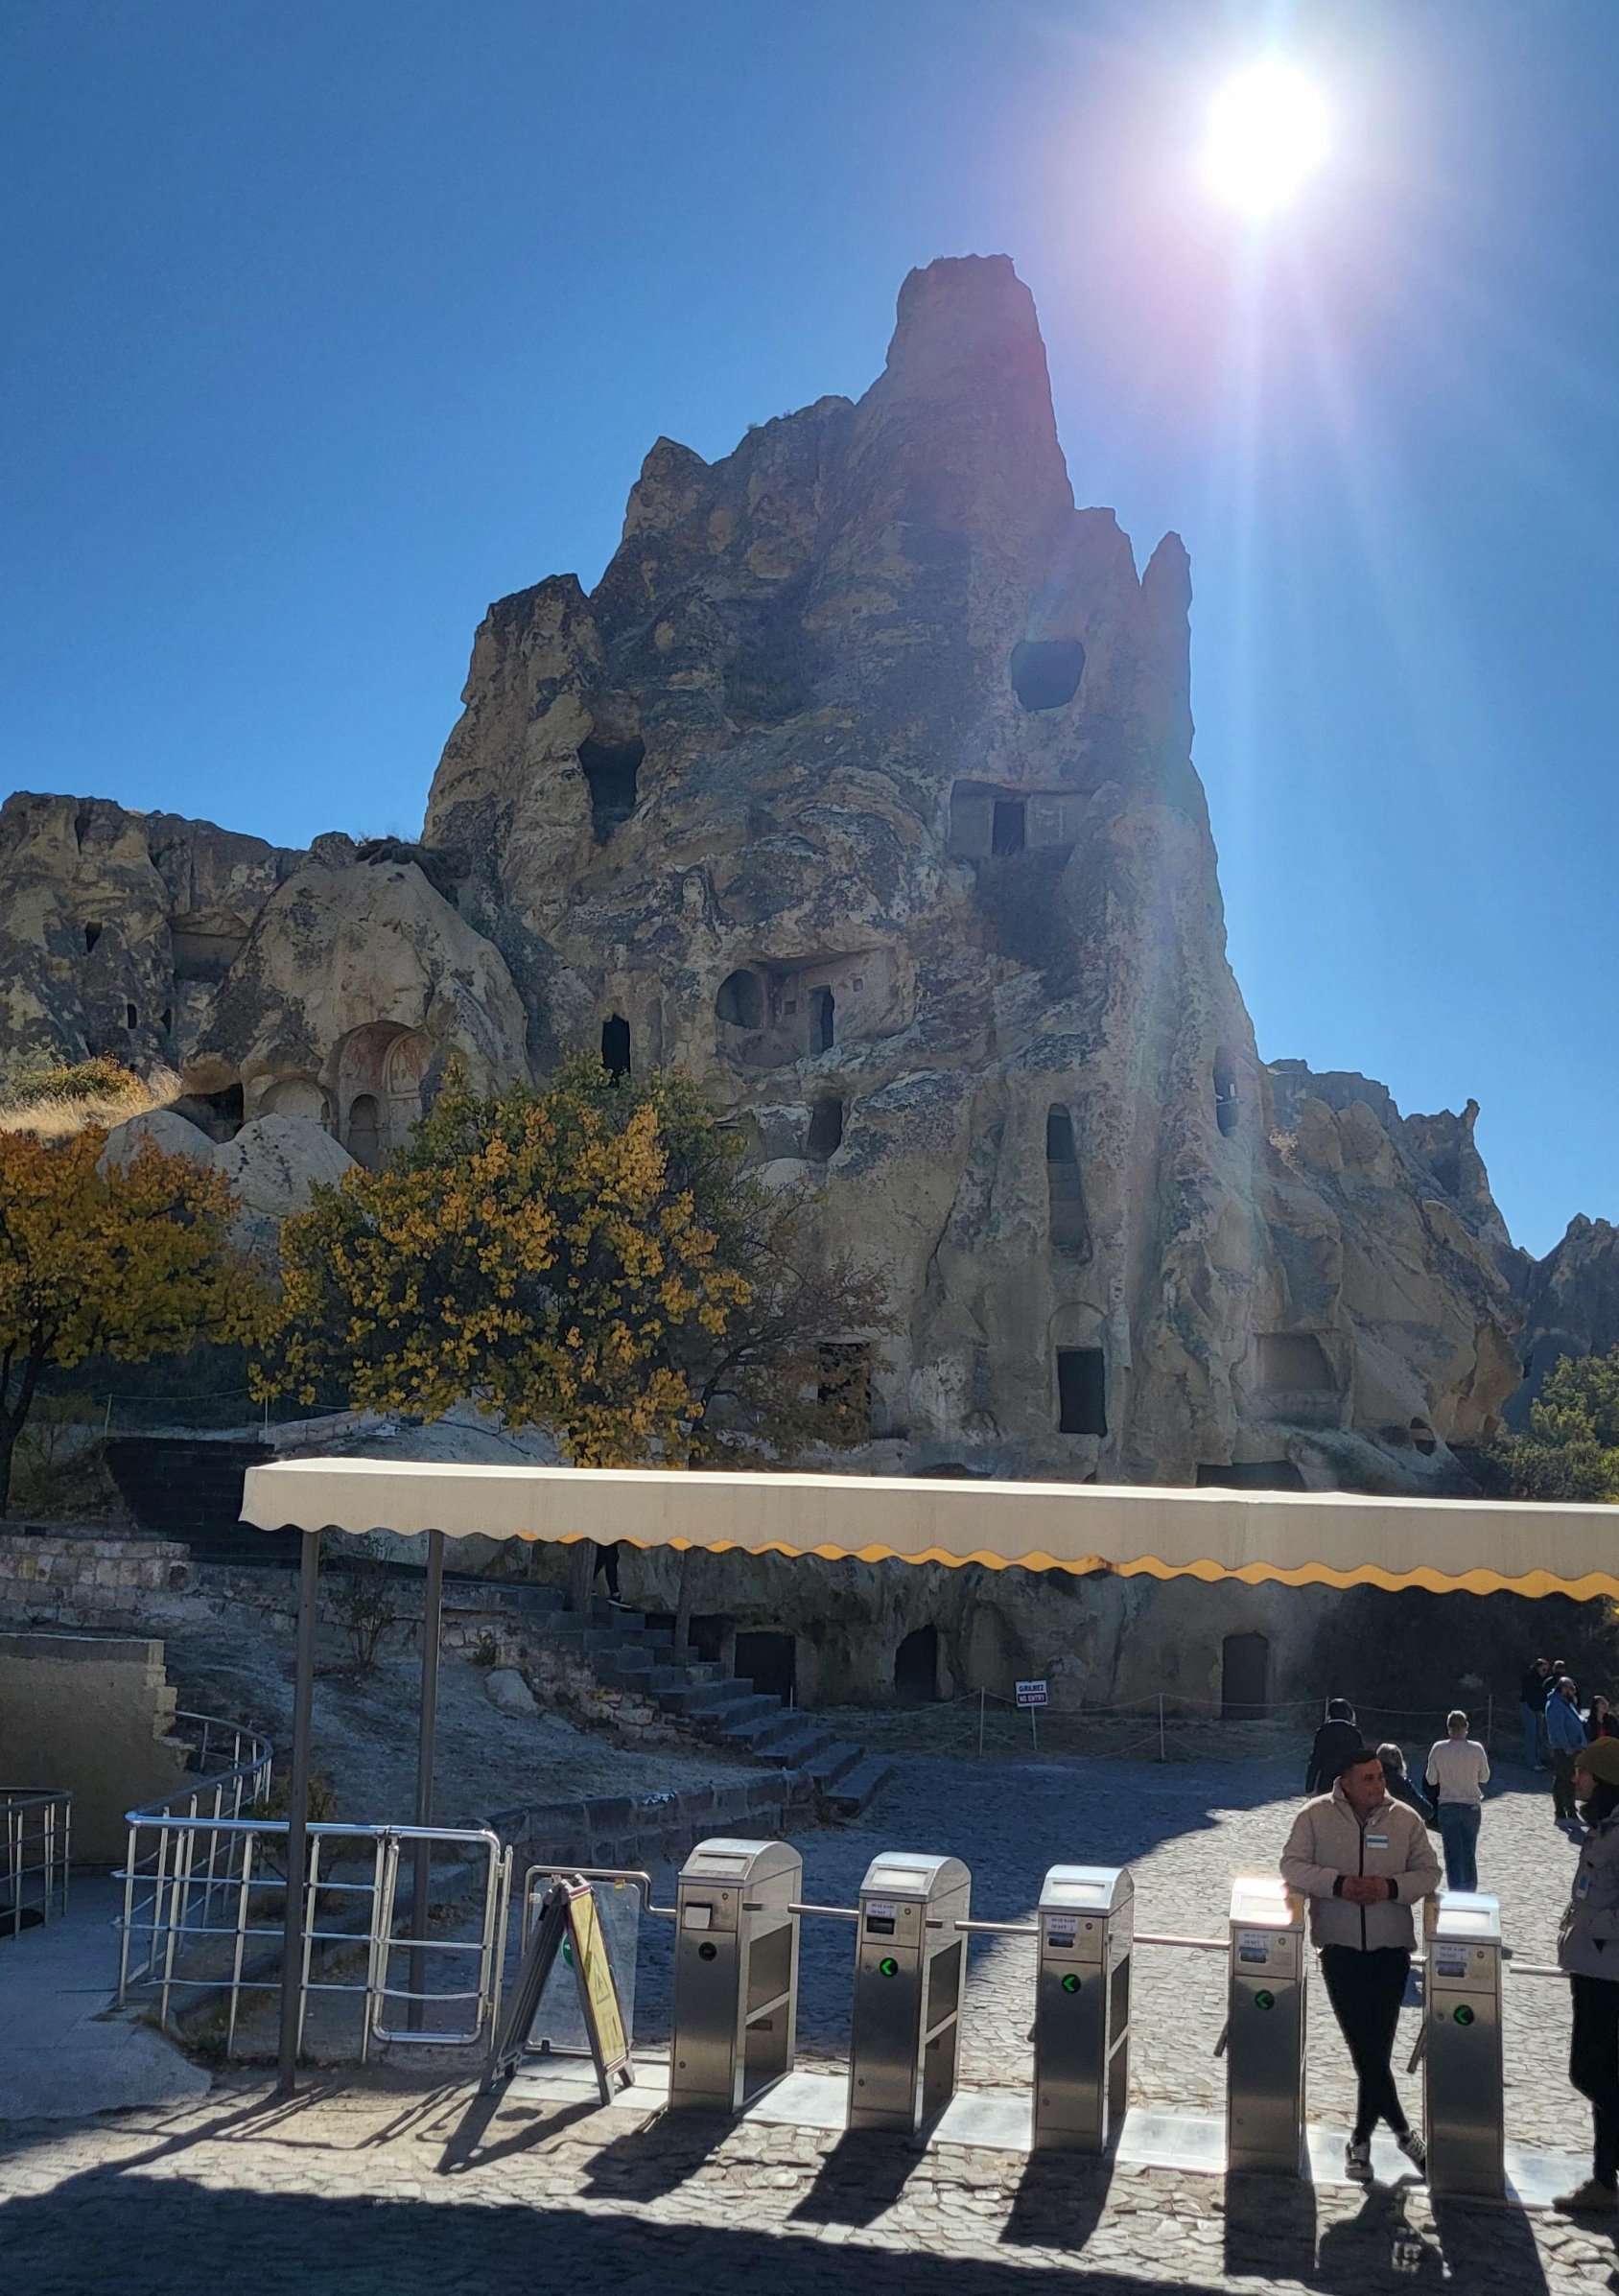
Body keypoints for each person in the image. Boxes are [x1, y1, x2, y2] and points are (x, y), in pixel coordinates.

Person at [1281, 1742, 1442, 2182]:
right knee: (1364, 2050)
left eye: (1380, 1776)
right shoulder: (1314, 1817)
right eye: (1368, 1778)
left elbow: (1430, 1873)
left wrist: (1390, 1888)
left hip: (1391, 1951)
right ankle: (1402, 2135)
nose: (1378, 1784)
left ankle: (1362, 2141)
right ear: (1346, 1782)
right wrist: (1338, 1884)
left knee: (1375, 2052)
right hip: (1340, 1948)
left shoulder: (1405, 1820)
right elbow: (1292, 1865)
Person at [1553, 1737, 1619, 2215]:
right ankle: (1604, 2180)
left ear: (1605, 1781)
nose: (1575, 1779)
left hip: (1609, 1972)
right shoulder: (1602, 1829)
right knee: (1605, 2075)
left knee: (1591, 2072)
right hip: (1592, 1968)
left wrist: (1593, 1929)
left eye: (1584, 1772)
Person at [1424, 1710, 1490, 1893]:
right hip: (1471, 1806)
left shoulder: (1439, 1749)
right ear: (1466, 1728)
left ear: (1448, 1728)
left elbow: (1431, 1780)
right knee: (1469, 1852)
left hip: (1448, 1805)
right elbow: (1485, 1777)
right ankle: (1470, 1891)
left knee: (1452, 1854)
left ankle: (1455, 1891)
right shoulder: (1476, 1749)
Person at [1548, 1676, 1589, 1827]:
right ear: (1563, 1689)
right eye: (1571, 1688)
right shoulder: (1555, 1704)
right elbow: (1557, 1729)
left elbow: (1576, 1720)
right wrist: (1567, 1746)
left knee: (1570, 1780)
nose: (1574, 1691)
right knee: (1563, 1780)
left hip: (1574, 1747)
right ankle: (1562, 1813)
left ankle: (1570, 1812)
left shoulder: (1567, 1704)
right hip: (1564, 1749)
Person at [1305, 1699, 1364, 1796]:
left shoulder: (1323, 1731)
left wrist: (1309, 1786)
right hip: (1348, 1782)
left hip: (1326, 1781)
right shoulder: (1354, 1733)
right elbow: (1360, 1760)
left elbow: (1315, 1759)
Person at [1376, 1742, 1435, 1826]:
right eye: (1394, 1755)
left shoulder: (1370, 1780)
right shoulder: (1401, 1783)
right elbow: (1427, 1811)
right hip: (1398, 1825)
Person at [1521, 1656, 1554, 1770]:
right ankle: (1531, 1761)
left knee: (1539, 1734)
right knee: (1531, 1734)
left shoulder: (1543, 1681)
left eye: (1546, 1670)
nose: (1545, 1672)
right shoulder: (1530, 1678)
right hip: (1528, 1705)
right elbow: (1528, 1693)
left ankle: (1539, 1760)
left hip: (1538, 1708)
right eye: (1543, 1669)